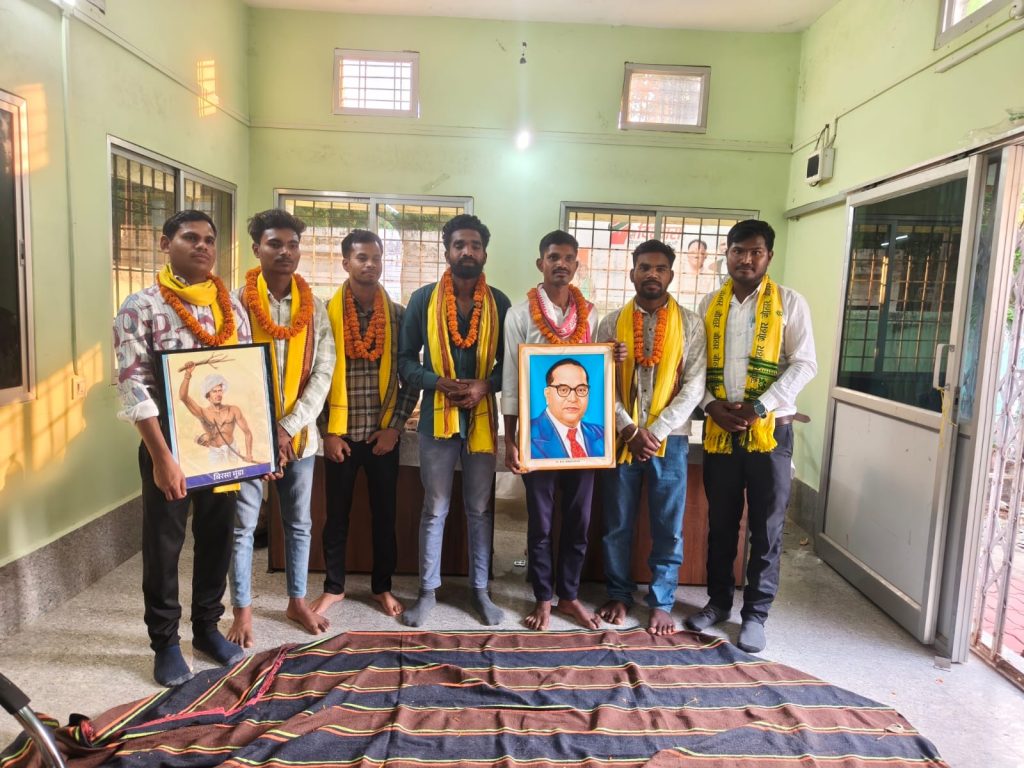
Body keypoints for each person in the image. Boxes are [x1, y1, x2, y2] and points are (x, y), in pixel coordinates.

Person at [113, 210, 251, 687]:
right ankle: (166, 643)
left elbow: (244, 377)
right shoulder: (140, 307)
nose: (202, 246)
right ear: (165, 243)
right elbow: (133, 389)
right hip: (168, 446)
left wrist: (257, 454)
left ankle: (208, 629)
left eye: (209, 239)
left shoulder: (231, 307)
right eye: (190, 237)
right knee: (164, 545)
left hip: (219, 447)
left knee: (217, 538)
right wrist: (161, 457)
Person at [685, 219, 816, 654]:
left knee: (767, 526)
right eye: (738, 250)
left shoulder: (789, 302)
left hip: (770, 432)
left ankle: (756, 615)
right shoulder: (710, 303)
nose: (746, 259)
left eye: (755, 251)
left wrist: (760, 406)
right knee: (721, 523)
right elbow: (697, 366)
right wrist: (710, 406)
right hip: (722, 430)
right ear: (726, 253)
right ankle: (718, 602)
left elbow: (805, 363)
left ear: (768, 257)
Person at [228, 209, 335, 648]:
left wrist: (288, 428)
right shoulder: (234, 304)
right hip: (247, 439)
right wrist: (265, 433)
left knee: (299, 523)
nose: (285, 252)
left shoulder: (315, 308)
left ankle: (296, 601)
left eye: (293, 245)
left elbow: (323, 372)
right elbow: (228, 372)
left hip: (300, 439)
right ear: (257, 248)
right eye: (275, 244)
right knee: (242, 526)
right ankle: (242, 609)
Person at [398, 214, 511, 627]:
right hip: (436, 419)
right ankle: (427, 592)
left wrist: (486, 385)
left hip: (481, 418)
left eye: (475, 245)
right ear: (447, 251)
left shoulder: (499, 303)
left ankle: (481, 591)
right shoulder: (423, 299)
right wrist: (436, 382)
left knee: (480, 509)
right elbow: (405, 361)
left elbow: (510, 366)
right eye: (460, 245)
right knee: (435, 507)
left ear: (485, 253)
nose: (468, 251)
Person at [595, 239, 707, 635]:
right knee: (617, 523)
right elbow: (600, 380)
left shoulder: (691, 324)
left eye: (660, 268)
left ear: (671, 275)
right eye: (644, 267)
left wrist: (655, 432)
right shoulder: (610, 324)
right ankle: (618, 594)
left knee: (668, 526)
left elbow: (694, 386)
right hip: (621, 438)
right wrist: (627, 427)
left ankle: (661, 601)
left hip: (670, 441)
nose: (652, 274)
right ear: (633, 273)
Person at [310, 229, 419, 620]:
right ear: (346, 263)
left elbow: (411, 376)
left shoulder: (399, 316)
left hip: (382, 436)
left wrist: (395, 428)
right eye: (361, 257)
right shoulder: (325, 314)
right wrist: (327, 431)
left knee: (385, 517)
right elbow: (313, 377)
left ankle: (382, 587)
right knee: (335, 517)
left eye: (376, 257)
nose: (370, 264)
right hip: (340, 435)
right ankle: (333, 587)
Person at [502, 230, 601, 630]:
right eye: (553, 257)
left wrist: (613, 355)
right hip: (538, 435)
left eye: (568, 258)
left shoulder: (591, 314)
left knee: (579, 521)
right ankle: (543, 597)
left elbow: (598, 372)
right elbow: (512, 379)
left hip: (583, 439)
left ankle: (570, 596)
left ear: (577, 265)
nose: (561, 264)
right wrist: (511, 439)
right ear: (540, 263)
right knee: (541, 523)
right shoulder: (519, 315)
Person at [529, 358, 604, 460]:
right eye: (563, 390)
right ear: (547, 394)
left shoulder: (602, 433)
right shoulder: (527, 434)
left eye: (581, 390)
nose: (573, 399)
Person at [178, 367, 254, 465]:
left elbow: (247, 433)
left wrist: (249, 454)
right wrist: (187, 374)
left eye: (220, 391)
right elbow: (183, 397)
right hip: (216, 453)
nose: (218, 394)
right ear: (208, 395)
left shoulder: (233, 410)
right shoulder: (203, 412)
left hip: (233, 450)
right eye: (214, 391)